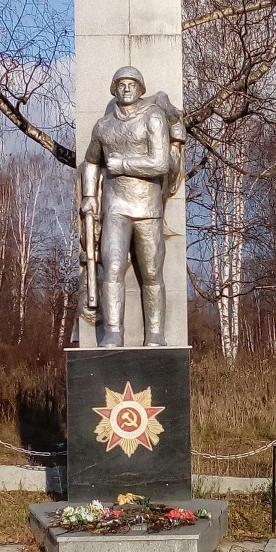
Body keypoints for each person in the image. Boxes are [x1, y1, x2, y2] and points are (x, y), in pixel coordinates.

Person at [80, 66, 178, 347]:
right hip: (115, 208)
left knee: (151, 273)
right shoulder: (103, 126)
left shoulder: (154, 118)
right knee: (111, 268)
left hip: (147, 207)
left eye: (132, 84)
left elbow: (160, 163)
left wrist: (122, 164)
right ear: (114, 88)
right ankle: (113, 331)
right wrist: (89, 195)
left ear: (140, 89)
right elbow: (92, 162)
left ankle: (156, 334)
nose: (126, 89)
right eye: (121, 84)